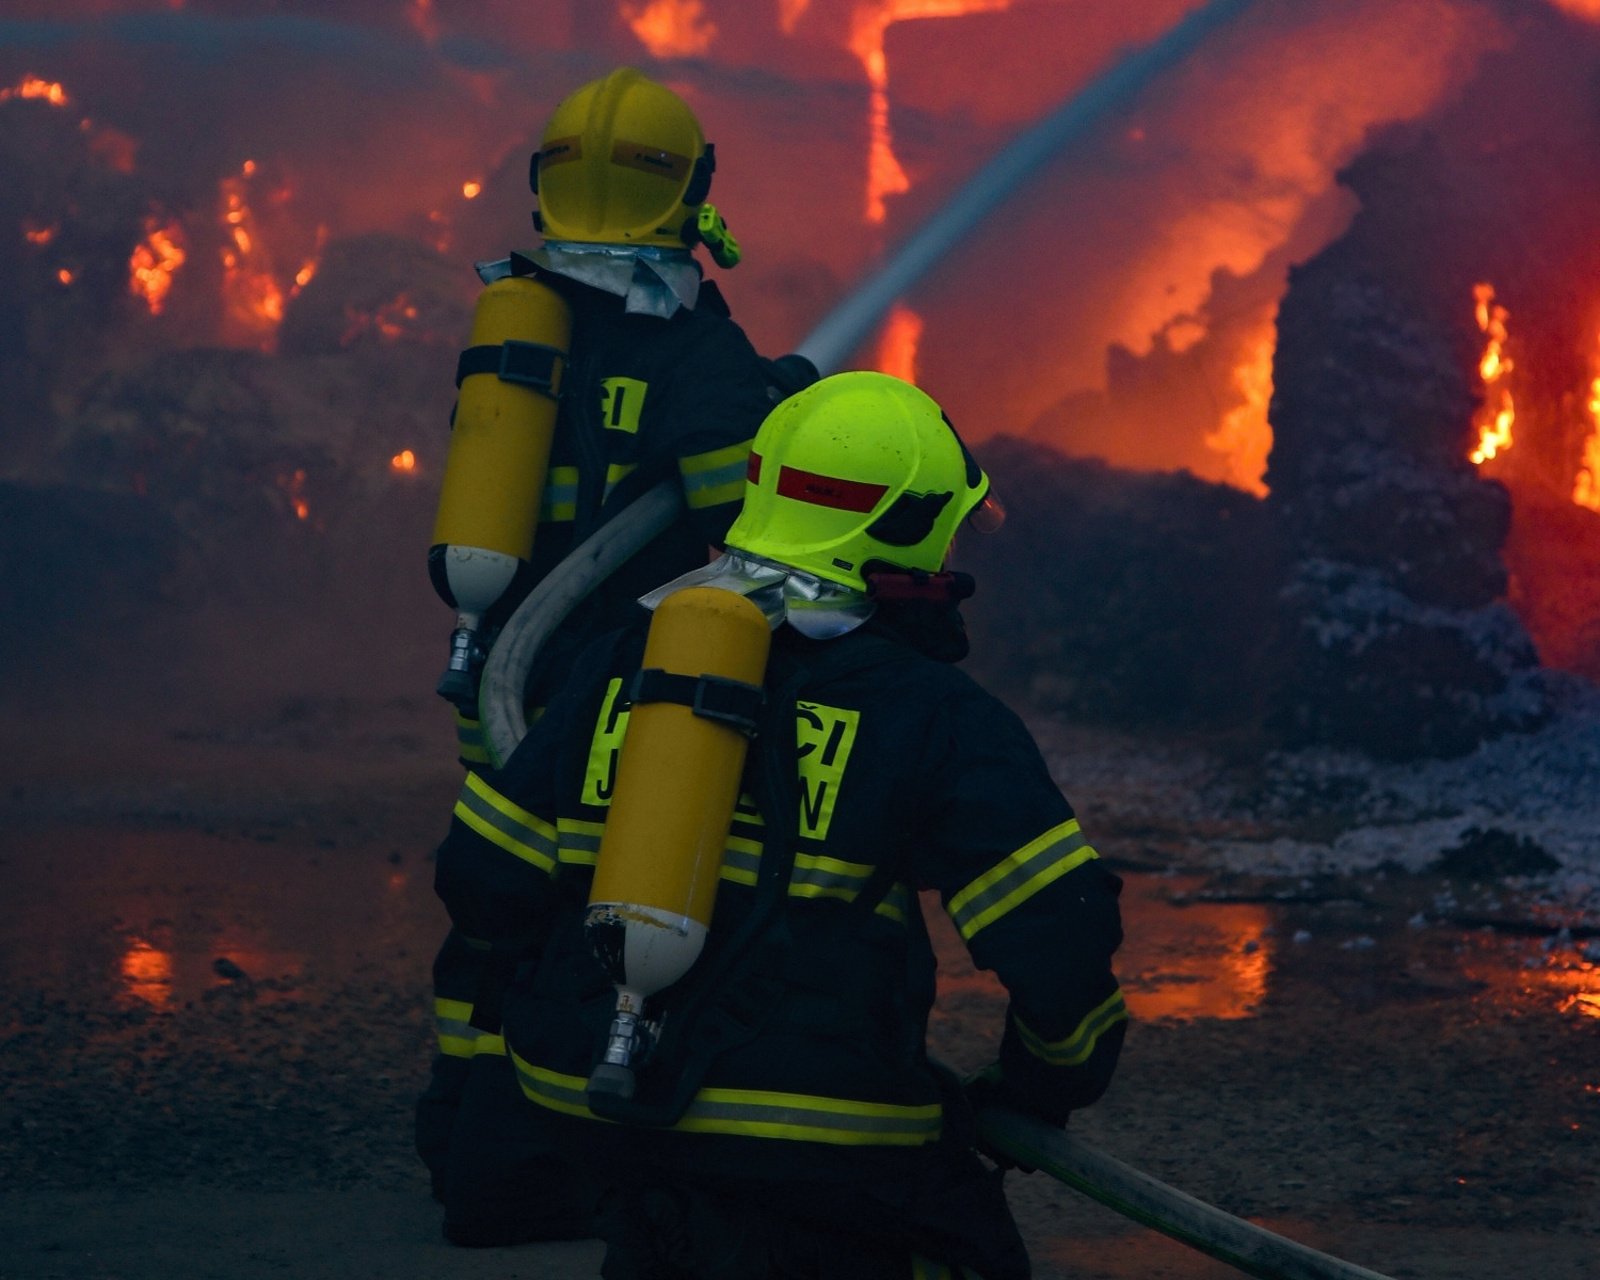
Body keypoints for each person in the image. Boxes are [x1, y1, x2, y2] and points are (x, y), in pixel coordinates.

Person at [433, 372, 1127, 1277]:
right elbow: (1060, 941)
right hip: (819, 1132)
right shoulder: (932, 715)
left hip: (596, 1099)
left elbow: (482, 879)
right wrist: (1041, 1087)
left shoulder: (619, 666)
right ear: (905, 530)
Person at [416, 67, 810, 1247]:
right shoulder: (679, 328)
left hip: (495, 656)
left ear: (548, 187)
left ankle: (460, 1116)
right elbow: (729, 503)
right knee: (608, 900)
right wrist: (782, 401)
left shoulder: (522, 319)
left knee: (498, 895)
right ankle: (544, 1150)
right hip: (611, 681)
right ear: (685, 190)